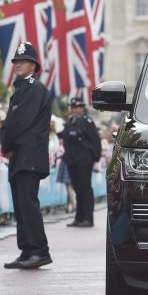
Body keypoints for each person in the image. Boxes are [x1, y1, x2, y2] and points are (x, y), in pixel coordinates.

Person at [0, 42, 54, 269]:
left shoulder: (34, 89)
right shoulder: (22, 89)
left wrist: (6, 142)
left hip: (28, 155)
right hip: (20, 155)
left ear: (33, 65)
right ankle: (26, 249)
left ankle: (39, 250)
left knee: (27, 203)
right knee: (21, 205)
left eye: (22, 61)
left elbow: (19, 121)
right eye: (16, 61)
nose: (18, 65)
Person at [59, 97, 102, 227]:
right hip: (72, 159)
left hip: (84, 159)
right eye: (73, 107)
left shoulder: (86, 121)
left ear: (81, 108)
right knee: (77, 188)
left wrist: (96, 157)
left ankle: (88, 218)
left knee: (85, 188)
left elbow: (95, 140)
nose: (75, 109)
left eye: (77, 107)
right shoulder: (70, 121)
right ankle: (79, 217)